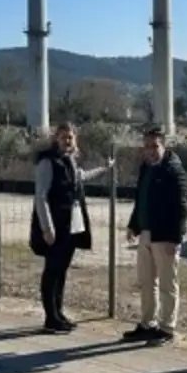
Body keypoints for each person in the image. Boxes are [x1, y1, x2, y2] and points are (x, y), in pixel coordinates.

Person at [29, 122, 113, 334]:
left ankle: (58, 313)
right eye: (64, 137)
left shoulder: (70, 161)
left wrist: (105, 168)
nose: (68, 141)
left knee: (62, 271)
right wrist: (47, 228)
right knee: (52, 271)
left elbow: (80, 177)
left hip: (70, 225)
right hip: (55, 226)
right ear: (56, 139)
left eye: (71, 137)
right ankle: (50, 318)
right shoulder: (48, 163)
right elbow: (41, 196)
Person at [121, 125, 187, 344]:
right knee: (147, 282)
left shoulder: (174, 170)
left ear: (164, 145)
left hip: (165, 236)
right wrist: (134, 225)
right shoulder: (146, 168)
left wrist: (176, 238)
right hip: (146, 233)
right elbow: (140, 199)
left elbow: (181, 208)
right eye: (147, 146)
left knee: (168, 284)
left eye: (155, 146)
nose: (150, 150)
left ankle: (167, 328)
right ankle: (147, 323)